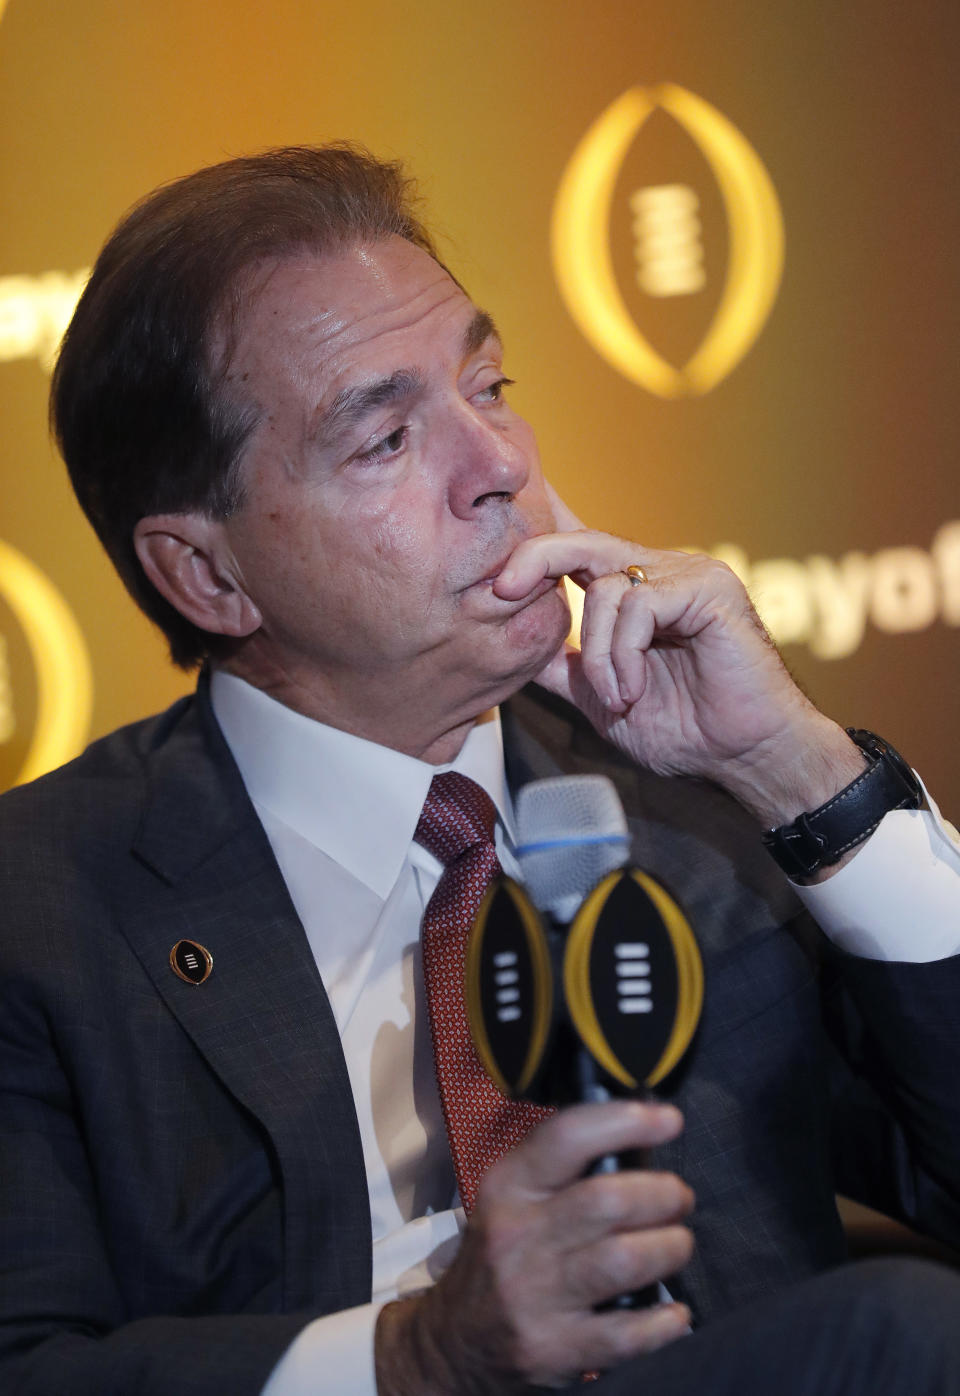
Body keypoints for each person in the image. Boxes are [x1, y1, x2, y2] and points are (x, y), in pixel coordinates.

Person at [2, 144, 960, 1396]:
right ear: (208, 573)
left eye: (490, 382)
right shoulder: (43, 908)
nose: (499, 462)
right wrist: (420, 1355)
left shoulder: (691, 795)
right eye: (388, 437)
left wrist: (794, 767)